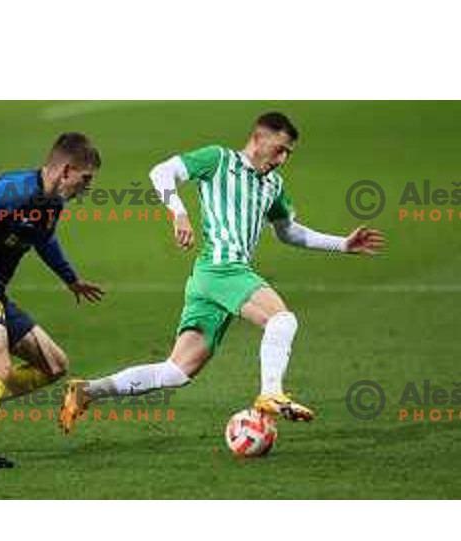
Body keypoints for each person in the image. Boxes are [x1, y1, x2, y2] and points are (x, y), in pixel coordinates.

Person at [58, 113, 384, 434]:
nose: (283, 158)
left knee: (176, 372)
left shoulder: (273, 184)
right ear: (258, 139)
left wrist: (341, 244)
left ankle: (87, 391)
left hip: (211, 279)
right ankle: (271, 391)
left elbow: (287, 232)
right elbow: (162, 172)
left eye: (289, 153)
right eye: (280, 149)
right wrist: (179, 214)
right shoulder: (218, 160)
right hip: (221, 269)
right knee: (282, 320)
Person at [0, 132, 104, 468]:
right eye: (85, 179)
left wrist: (70, 279)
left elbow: (44, 240)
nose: (86, 187)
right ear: (66, 170)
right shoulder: (15, 189)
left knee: (54, 364)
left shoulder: (52, 203)